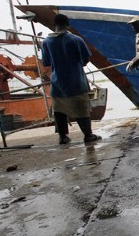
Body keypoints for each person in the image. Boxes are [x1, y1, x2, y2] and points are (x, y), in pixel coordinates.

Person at [41, 14, 101, 145]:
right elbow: (85, 60)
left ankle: (63, 137)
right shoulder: (76, 40)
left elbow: (46, 62)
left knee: (59, 110)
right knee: (81, 108)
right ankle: (88, 135)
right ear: (68, 24)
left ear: (54, 24)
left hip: (57, 82)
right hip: (76, 80)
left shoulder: (46, 42)